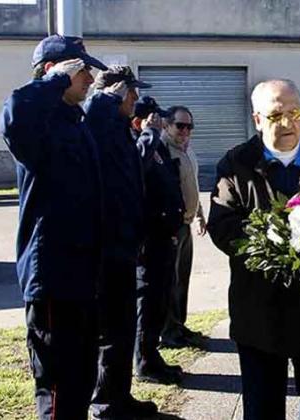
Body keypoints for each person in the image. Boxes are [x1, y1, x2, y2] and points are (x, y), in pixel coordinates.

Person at [208, 79, 300, 420]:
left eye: (295, 113)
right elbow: (223, 226)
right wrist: (275, 244)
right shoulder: (235, 165)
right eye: (276, 116)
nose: (288, 123)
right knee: (262, 409)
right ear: (258, 120)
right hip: (259, 309)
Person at [0, 34, 107, 419]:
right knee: (58, 384)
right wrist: (54, 81)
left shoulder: (73, 121)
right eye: (82, 71)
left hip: (82, 271)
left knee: (81, 376)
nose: (90, 79)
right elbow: (13, 116)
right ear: (54, 71)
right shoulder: (36, 122)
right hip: (53, 277)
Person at [84, 66, 159, 418]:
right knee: (112, 330)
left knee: (123, 327)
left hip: (125, 246)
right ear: (115, 93)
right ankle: (106, 403)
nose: (134, 99)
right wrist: (105, 97)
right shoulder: (99, 123)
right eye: (129, 92)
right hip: (107, 250)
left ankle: (120, 396)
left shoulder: (119, 130)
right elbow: (94, 116)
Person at [132, 96, 186, 385]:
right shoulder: (139, 145)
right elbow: (136, 174)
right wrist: (148, 134)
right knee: (147, 301)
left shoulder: (157, 146)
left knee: (159, 300)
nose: (161, 122)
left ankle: (152, 355)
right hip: (148, 239)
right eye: (155, 117)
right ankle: (144, 361)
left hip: (164, 236)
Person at [160, 105, 207, 348]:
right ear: (167, 125)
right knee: (169, 280)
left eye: (189, 126)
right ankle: (167, 331)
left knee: (182, 279)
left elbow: (192, 185)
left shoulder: (187, 151)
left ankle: (179, 325)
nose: (185, 131)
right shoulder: (162, 150)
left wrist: (199, 214)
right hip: (170, 226)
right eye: (180, 125)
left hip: (186, 224)